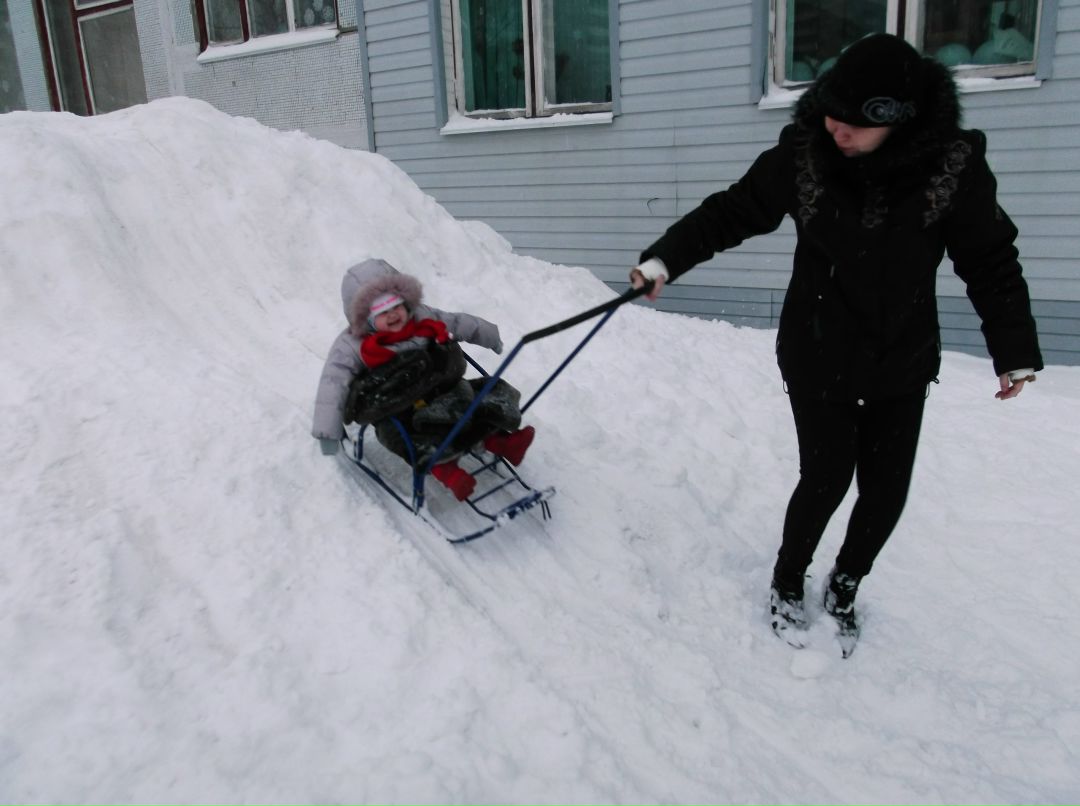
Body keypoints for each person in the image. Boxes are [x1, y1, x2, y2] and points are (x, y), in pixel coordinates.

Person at [629, 33, 1043, 654]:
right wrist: (665, 258)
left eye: (853, 122)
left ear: (899, 120)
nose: (836, 129)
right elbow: (732, 211)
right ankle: (787, 579)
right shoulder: (805, 154)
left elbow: (990, 260)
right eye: (830, 112)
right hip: (818, 348)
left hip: (901, 356)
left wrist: (1014, 348)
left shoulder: (951, 168)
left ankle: (846, 583)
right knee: (826, 477)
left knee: (886, 489)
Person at [312, 258, 535, 500]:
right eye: (381, 312)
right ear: (364, 317)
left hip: (441, 389)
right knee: (402, 436)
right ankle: (449, 474)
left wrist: (489, 335)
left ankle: (504, 444)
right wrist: (328, 431)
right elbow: (332, 384)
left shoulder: (421, 316)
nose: (393, 315)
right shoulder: (352, 345)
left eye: (396, 305)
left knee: (478, 401)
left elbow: (456, 322)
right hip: (398, 408)